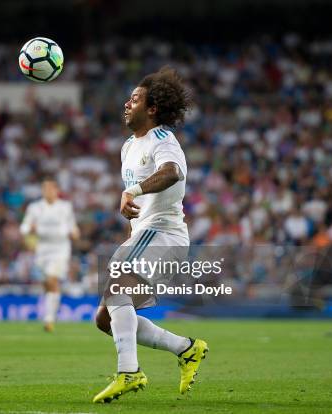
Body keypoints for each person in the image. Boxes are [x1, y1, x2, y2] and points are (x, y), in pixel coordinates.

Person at [92, 68, 208, 403]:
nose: (127, 104)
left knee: (115, 286)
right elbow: (138, 200)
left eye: (135, 99)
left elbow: (172, 172)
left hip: (165, 234)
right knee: (105, 319)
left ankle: (129, 372)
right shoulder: (129, 146)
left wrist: (133, 190)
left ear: (152, 109)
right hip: (145, 235)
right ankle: (187, 349)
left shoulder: (162, 139)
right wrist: (132, 205)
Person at [20, 177, 79, 332]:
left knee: (52, 279)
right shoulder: (35, 207)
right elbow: (24, 227)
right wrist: (29, 230)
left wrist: (74, 232)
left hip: (60, 249)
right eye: (45, 189)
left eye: (51, 188)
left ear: (57, 191)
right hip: (42, 249)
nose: (48, 191)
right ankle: (51, 311)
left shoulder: (65, 207)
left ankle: (49, 319)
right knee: (46, 283)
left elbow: (72, 227)